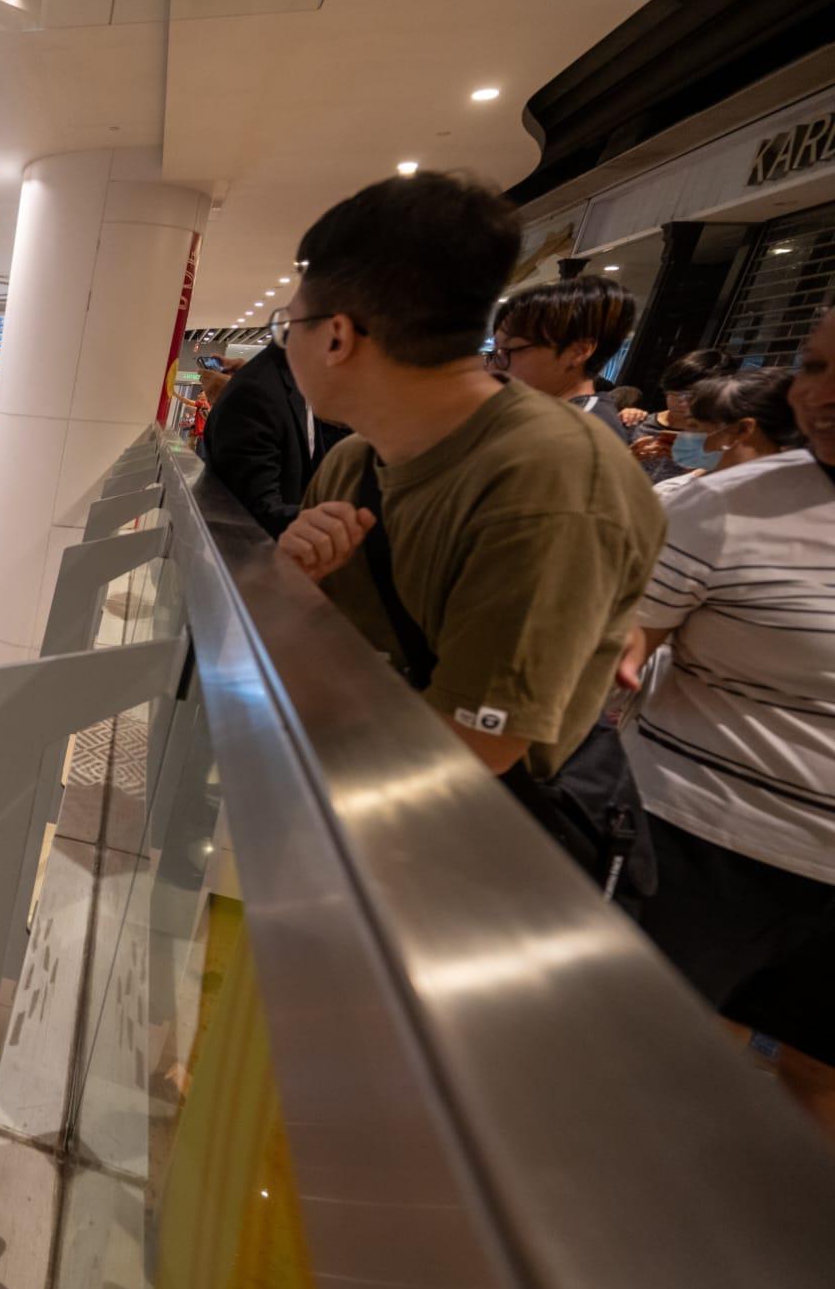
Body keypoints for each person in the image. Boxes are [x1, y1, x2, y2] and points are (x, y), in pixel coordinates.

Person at [273, 171, 665, 876]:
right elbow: (311, 639)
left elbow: (477, 747)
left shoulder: (551, 480)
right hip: (363, 805)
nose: (288, 344)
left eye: (289, 325)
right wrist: (294, 585)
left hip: (472, 853)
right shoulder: (356, 461)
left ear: (335, 336)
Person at [614, 308, 835, 1069]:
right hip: (705, 842)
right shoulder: (723, 505)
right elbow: (633, 638)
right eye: (813, 367)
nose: (825, 395)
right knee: (669, 1063)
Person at [202, 341, 346, 537]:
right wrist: (345, 524)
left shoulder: (294, 383)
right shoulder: (256, 394)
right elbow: (257, 514)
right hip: (255, 558)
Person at [486, 274, 640, 439]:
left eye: (508, 350)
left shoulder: (583, 433)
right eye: (495, 353)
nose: (491, 368)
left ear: (578, 352)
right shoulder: (541, 411)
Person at [652, 366, 799, 499]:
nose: (683, 435)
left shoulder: (680, 498)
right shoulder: (674, 492)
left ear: (743, 430)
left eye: (693, 426)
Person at [625, 349, 741, 484]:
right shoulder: (636, 422)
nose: (681, 402)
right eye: (674, 393)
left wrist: (694, 466)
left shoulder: (718, 440)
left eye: (691, 395)